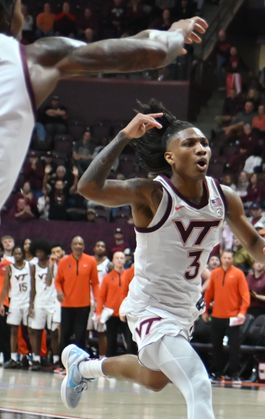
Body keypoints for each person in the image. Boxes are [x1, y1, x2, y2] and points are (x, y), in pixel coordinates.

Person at [61, 104, 265, 419]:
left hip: (184, 311)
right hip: (149, 308)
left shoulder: (225, 197)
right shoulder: (151, 193)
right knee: (197, 384)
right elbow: (88, 187)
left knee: (154, 380)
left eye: (204, 142)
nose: (201, 148)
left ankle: (84, 367)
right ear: (170, 156)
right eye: (189, 142)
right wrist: (123, 137)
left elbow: (252, 241)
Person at [0, 1, 208, 211]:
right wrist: (178, 32)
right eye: (20, 6)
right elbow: (155, 51)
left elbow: (141, 46)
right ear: (10, 14)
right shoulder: (30, 60)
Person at [203, 250, 250, 385]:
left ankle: (235, 374)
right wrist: (205, 311)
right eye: (225, 257)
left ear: (232, 259)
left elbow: (245, 295)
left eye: (229, 258)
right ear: (221, 259)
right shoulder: (215, 273)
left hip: (233, 317)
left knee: (234, 347)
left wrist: (242, 312)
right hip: (217, 315)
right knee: (216, 346)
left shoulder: (238, 274)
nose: (227, 260)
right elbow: (208, 294)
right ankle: (218, 374)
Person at [54, 235, 97, 351]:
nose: (78, 246)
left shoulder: (91, 261)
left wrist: (97, 300)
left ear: (84, 246)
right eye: (76, 244)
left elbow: (95, 283)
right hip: (67, 305)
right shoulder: (63, 261)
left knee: (81, 335)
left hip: (83, 305)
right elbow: (57, 281)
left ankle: (79, 364)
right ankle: (62, 365)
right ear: (71, 246)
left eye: (80, 244)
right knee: (65, 335)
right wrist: (59, 291)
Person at [94, 250, 132, 357]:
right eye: (117, 258)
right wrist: (98, 313)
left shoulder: (129, 275)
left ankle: (131, 367)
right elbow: (101, 297)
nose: (119, 260)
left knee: (130, 342)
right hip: (112, 315)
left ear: (125, 260)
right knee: (111, 343)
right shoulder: (107, 278)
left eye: (122, 258)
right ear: (113, 261)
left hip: (126, 314)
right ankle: (110, 368)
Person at [28, 241, 58, 369]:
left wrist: (51, 266)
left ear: (46, 251)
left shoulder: (54, 264)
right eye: (37, 251)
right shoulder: (34, 266)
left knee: (54, 332)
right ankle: (36, 359)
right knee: (37, 331)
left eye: (41, 251)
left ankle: (55, 359)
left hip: (52, 302)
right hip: (39, 302)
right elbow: (33, 287)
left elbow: (49, 281)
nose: (38, 253)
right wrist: (31, 305)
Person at [0, 246, 31, 367]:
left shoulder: (8, 265)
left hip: (20, 302)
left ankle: (29, 356)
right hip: (13, 303)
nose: (18, 255)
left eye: (20, 253)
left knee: (26, 331)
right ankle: (11, 357)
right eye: (16, 253)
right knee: (11, 331)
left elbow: (6, 287)